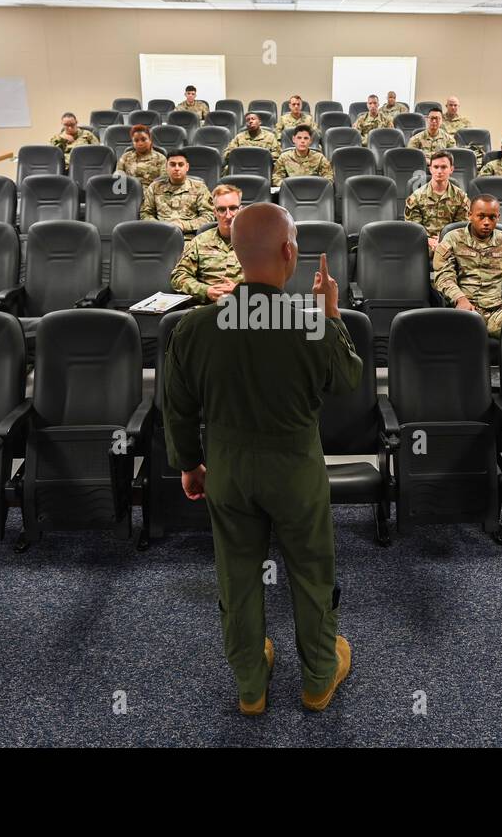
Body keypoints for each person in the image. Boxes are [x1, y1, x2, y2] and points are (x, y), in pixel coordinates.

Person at [164, 203, 361, 715]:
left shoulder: (193, 326)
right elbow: (349, 382)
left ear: (235, 253)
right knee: (311, 571)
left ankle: (251, 685)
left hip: (227, 467)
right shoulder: (311, 324)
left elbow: (178, 408)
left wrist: (190, 463)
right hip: (295, 469)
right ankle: (318, 678)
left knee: (237, 573)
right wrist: (331, 312)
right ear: (289, 252)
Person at [432, 195, 502, 338]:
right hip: (466, 308)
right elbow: (443, 276)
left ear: (498, 217)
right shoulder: (453, 239)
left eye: (492, 217)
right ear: (470, 215)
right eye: (481, 216)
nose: (486, 222)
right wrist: (460, 299)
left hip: (499, 311)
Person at [170, 184, 244, 302]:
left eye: (233, 208)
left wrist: (240, 290)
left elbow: (269, 281)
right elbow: (178, 276)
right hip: (205, 307)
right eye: (222, 209)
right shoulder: (200, 241)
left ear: (240, 210)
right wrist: (205, 290)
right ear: (214, 212)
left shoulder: (255, 242)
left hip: (246, 306)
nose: (228, 215)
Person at [404, 149, 468, 253]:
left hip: (451, 244)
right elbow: (414, 229)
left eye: (444, 167)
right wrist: (428, 240)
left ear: (451, 169)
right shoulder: (416, 197)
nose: (439, 171)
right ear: (430, 169)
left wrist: (444, 241)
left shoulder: (461, 197)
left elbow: (461, 227)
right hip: (423, 243)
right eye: (436, 167)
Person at [141, 150, 213, 235]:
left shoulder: (199, 188)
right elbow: (145, 213)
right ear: (166, 167)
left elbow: (209, 216)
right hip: (160, 234)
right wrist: (160, 226)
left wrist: (184, 225)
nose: (177, 168)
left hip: (189, 237)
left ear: (187, 167)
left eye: (181, 165)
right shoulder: (154, 187)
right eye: (172, 164)